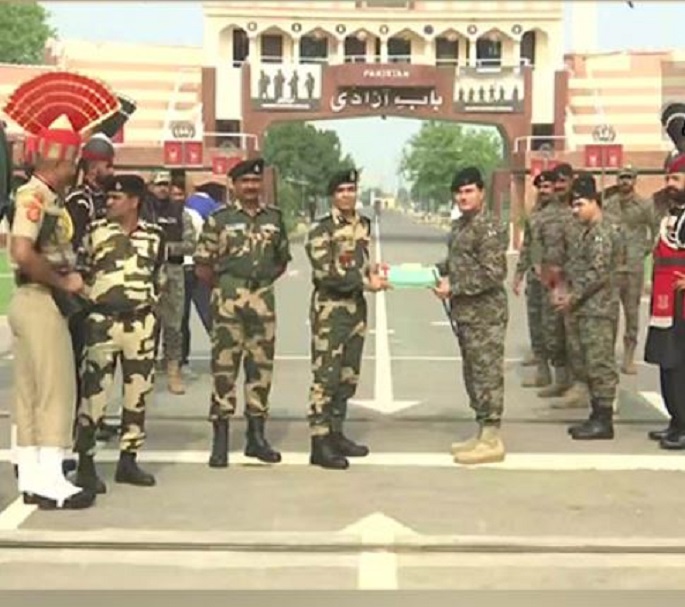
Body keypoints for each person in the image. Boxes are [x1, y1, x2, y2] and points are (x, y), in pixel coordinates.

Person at [6, 113, 97, 510]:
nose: (75, 168)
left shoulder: (42, 196)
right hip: (42, 298)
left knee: (29, 393)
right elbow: (23, 252)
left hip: (32, 299)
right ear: (61, 162)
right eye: (74, 161)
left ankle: (32, 475)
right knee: (56, 391)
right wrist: (65, 282)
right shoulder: (34, 197)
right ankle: (51, 481)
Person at [194, 158, 291, 468]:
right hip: (228, 301)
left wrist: (257, 284)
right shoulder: (219, 219)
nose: (251, 186)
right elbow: (203, 266)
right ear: (234, 186)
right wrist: (229, 287)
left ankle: (256, 438)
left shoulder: (274, 218)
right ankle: (220, 440)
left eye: (255, 181)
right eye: (244, 182)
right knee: (224, 370)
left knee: (260, 370)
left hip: (263, 300)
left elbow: (281, 261)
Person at [73, 174, 165, 490]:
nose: (110, 202)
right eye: (108, 197)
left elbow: (159, 277)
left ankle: (129, 460)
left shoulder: (154, 236)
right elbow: (81, 271)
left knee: (137, 394)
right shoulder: (96, 232)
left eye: (117, 197)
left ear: (135, 201)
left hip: (140, 323)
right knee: (95, 394)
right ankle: (85, 462)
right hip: (103, 322)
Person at [305, 168, 389, 470]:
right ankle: (319, 440)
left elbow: (360, 263)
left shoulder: (363, 225)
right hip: (330, 309)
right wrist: (366, 283)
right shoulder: (321, 229)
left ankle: (336, 433)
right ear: (333, 195)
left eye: (351, 189)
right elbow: (325, 273)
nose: (347, 195)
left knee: (347, 377)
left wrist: (375, 272)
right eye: (341, 190)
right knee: (325, 377)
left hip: (355, 309)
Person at [433, 166, 508, 465]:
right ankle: (482, 432)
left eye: (469, 191)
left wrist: (455, 286)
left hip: (485, 315)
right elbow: (457, 262)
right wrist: (427, 273)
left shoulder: (487, 227)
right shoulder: (462, 226)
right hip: (466, 313)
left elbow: (494, 273)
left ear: (481, 193)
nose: (463, 197)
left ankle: (492, 438)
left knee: (486, 374)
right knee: (473, 373)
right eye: (459, 192)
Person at [553, 173, 621, 440]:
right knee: (588, 363)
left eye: (580, 204)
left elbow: (597, 273)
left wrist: (573, 296)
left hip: (598, 310)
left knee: (600, 363)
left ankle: (604, 420)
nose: (575, 210)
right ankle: (596, 414)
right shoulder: (587, 233)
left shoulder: (602, 233)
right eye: (573, 204)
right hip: (586, 309)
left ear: (594, 202)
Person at [65, 133, 119, 441]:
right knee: (80, 358)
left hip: (102, 288)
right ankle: (78, 420)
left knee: (99, 360)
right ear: (93, 165)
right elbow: (74, 245)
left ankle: (93, 415)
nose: (111, 171)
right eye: (107, 165)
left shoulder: (103, 199)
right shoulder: (79, 201)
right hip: (82, 289)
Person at [644, 151, 685, 449]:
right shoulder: (670, 215)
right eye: (668, 178)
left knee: (681, 365)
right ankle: (675, 419)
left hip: (682, 305)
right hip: (663, 301)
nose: (669, 183)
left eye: (675, 178)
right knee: (666, 364)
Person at [603, 165, 657, 374]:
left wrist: (644, 250)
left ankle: (628, 357)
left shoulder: (644, 205)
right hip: (614, 267)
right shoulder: (608, 205)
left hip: (634, 267)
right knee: (610, 313)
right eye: (622, 177)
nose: (625, 181)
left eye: (629, 178)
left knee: (632, 314)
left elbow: (655, 229)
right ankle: (608, 355)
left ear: (635, 180)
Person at [154, 173, 197, 394]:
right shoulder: (144, 211)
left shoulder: (181, 213)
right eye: (159, 185)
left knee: (174, 325)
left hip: (174, 271)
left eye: (166, 185)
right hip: (148, 272)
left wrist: (166, 248)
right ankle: (146, 373)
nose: (163, 189)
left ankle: (174, 372)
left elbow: (191, 244)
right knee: (148, 325)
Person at [513, 170, 555, 388]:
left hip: (556, 280)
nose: (544, 191)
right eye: (541, 187)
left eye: (548, 186)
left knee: (554, 329)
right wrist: (519, 273)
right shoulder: (535, 215)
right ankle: (542, 371)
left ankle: (565, 378)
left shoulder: (564, 214)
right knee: (536, 325)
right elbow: (527, 246)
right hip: (535, 279)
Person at [181, 189, 218, 367]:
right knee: (202, 312)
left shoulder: (192, 214)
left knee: (198, 313)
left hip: (191, 267)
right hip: (194, 266)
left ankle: (180, 360)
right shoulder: (204, 210)